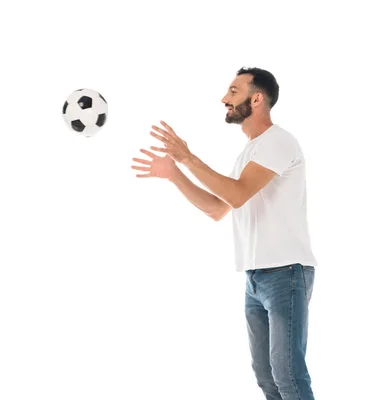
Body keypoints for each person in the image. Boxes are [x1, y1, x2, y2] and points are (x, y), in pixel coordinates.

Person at [131, 67, 317, 400]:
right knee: (267, 377)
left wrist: (189, 157)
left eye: (233, 92)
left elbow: (237, 194)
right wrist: (176, 174)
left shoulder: (279, 141)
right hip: (256, 278)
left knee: (288, 375)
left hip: (286, 273)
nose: (224, 99)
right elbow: (218, 208)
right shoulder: (250, 152)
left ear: (256, 98)